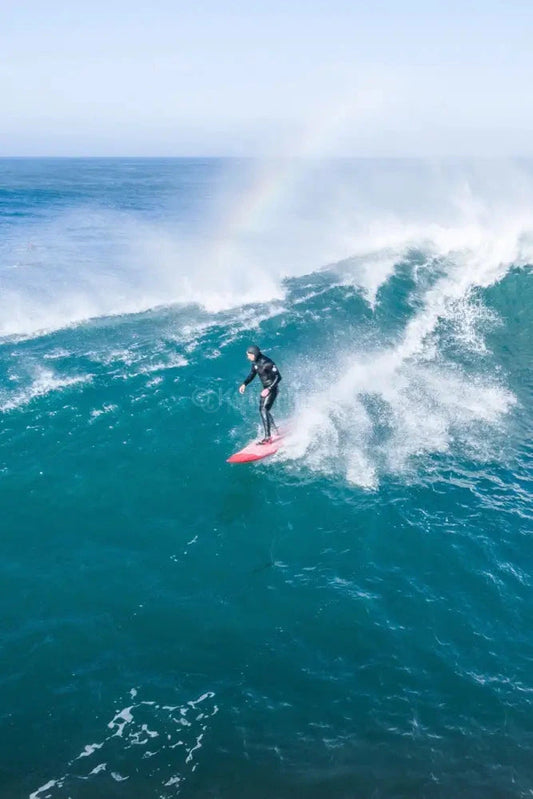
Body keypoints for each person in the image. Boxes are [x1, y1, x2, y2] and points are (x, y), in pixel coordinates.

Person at [239, 345, 282, 444]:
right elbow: (252, 373)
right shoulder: (255, 363)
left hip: (272, 389)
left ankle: (268, 438)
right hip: (265, 389)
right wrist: (244, 384)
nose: (248, 357)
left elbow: (278, 377)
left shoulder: (268, 363)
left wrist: (269, 389)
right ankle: (274, 429)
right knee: (262, 410)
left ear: (254, 354)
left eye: (249, 355)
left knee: (264, 409)